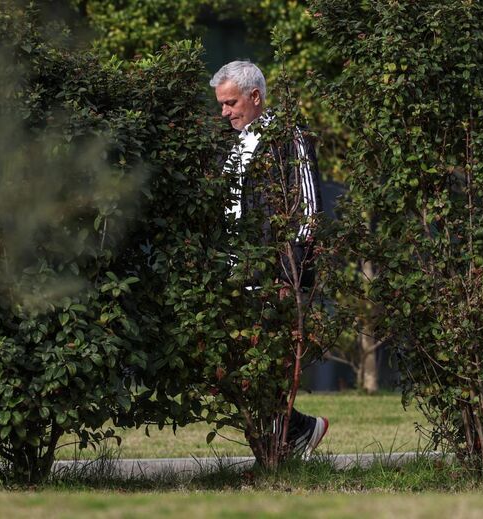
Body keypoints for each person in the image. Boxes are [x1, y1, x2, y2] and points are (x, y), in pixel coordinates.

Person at [210, 60, 328, 458]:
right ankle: (298, 432)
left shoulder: (288, 135)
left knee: (269, 366)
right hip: (237, 273)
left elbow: (309, 210)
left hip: (275, 274)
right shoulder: (236, 142)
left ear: (255, 96)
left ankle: (285, 444)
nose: (224, 112)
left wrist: (288, 276)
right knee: (244, 367)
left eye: (230, 103)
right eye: (222, 105)